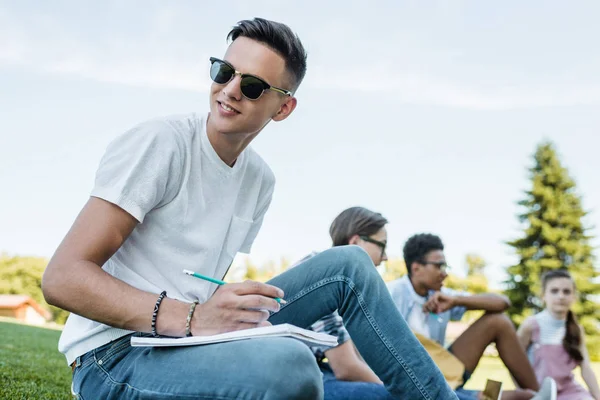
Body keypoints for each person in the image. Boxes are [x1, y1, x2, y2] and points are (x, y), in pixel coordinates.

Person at [42, 18, 458, 399]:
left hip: (189, 341)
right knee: (290, 367)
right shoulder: (161, 143)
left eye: (254, 85)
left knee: (349, 264)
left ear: (283, 108)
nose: (230, 90)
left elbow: (196, 283)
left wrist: (215, 310)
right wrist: (191, 317)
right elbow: (62, 278)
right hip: (114, 357)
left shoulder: (260, 180)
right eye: (224, 72)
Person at [387, 233, 557, 400]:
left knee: (498, 322)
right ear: (416, 268)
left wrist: (456, 301)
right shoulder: (393, 294)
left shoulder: (442, 295)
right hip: (414, 377)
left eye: (445, 267)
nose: (444, 273)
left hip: (444, 368)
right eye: (439, 266)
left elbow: (502, 303)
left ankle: (539, 395)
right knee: (517, 397)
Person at [292, 206, 394, 399]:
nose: (386, 256)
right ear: (356, 243)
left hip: (316, 368)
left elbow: (357, 356)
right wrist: (399, 391)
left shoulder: (343, 281)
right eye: (382, 245)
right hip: (293, 377)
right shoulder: (323, 272)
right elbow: (346, 368)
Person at [517, 269, 600, 400]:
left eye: (566, 291)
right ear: (543, 295)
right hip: (539, 393)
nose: (561, 296)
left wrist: (597, 396)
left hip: (571, 392)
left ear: (574, 296)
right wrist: (523, 392)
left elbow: (586, 368)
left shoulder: (577, 329)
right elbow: (514, 363)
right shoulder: (530, 325)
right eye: (554, 291)